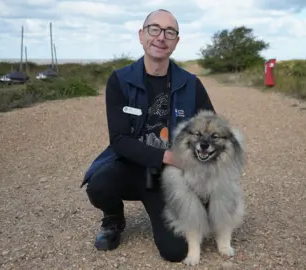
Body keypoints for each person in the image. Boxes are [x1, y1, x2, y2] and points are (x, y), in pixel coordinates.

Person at [80, 9, 215, 263]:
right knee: (98, 185)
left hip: (169, 178)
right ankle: (113, 219)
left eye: (169, 32)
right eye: (154, 29)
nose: (161, 37)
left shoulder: (191, 83)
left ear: (176, 41)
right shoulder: (120, 80)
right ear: (141, 36)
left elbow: (211, 130)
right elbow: (119, 139)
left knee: (175, 252)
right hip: (131, 167)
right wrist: (167, 155)